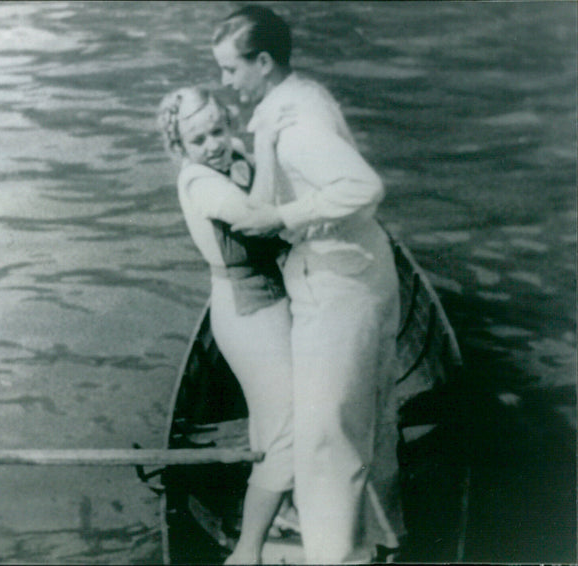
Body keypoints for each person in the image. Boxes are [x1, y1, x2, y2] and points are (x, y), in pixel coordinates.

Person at [211, 5, 403, 564]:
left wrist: (279, 218)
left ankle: (335, 557)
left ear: (263, 63)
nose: (226, 82)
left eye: (230, 70)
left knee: (324, 439)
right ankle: (380, 538)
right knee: (365, 419)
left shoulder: (295, 129)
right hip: (360, 271)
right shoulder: (299, 96)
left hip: (339, 288)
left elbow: (363, 186)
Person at [157, 86, 296, 564]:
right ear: (181, 150)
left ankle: (285, 509)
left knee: (271, 420)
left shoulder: (228, 157)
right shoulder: (200, 183)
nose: (214, 144)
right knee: (287, 437)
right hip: (248, 314)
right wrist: (267, 148)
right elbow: (258, 216)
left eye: (219, 130)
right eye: (199, 140)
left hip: (272, 302)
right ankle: (247, 552)